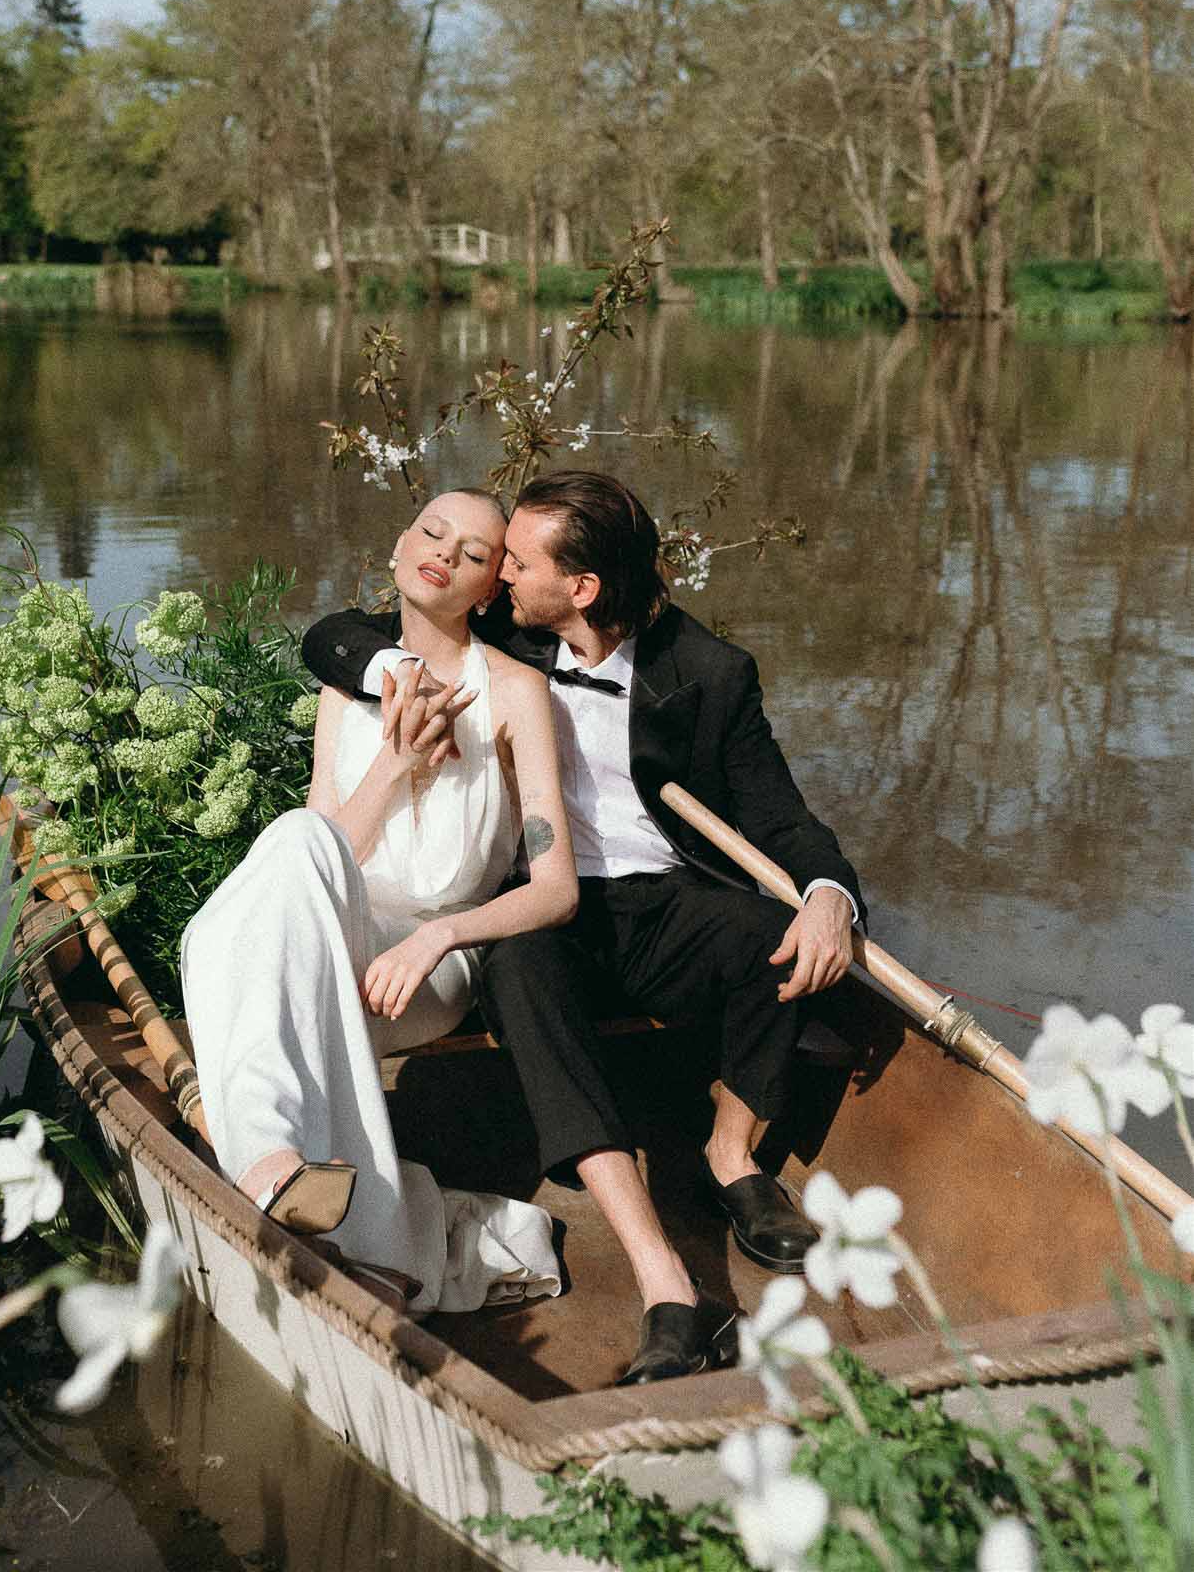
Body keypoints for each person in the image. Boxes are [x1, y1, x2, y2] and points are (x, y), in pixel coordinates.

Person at [302, 469, 864, 1384]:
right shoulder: (501, 632)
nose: (498, 575)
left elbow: (781, 819)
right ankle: (662, 1274)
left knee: (771, 933)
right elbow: (332, 636)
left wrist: (830, 894)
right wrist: (389, 672)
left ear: (583, 587)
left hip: (661, 896)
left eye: (518, 564)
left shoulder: (708, 672)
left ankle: (731, 1159)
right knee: (520, 971)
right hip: (537, 901)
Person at [182, 487, 579, 1316]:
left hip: (429, 959)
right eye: (431, 533)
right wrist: (394, 766)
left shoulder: (515, 693)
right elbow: (325, 851)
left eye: (474, 554)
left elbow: (556, 889)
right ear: (398, 549)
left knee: (228, 952)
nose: (444, 553)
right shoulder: (349, 686)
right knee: (297, 835)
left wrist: (436, 941)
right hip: (341, 927)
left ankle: (280, 1171)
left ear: (489, 589)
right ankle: (284, 1170)